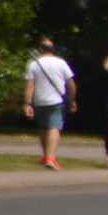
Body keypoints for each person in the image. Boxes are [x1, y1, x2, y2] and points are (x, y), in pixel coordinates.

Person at [25, 37, 75, 168]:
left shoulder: (33, 64)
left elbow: (30, 85)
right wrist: (72, 99)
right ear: (53, 49)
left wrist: (27, 103)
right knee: (54, 127)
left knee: (43, 128)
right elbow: (71, 84)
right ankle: (50, 158)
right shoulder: (61, 63)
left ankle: (45, 155)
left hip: (39, 100)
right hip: (56, 100)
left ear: (40, 49)